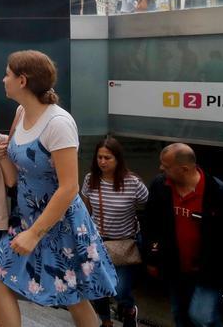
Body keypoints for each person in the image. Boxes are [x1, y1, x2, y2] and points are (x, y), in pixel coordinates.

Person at [0, 50, 116, 327]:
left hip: (60, 224)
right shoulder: (21, 113)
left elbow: (69, 188)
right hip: (28, 218)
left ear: (22, 81)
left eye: (7, 74)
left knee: (73, 297)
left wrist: (34, 233)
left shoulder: (59, 124)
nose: (3, 79)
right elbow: (13, 177)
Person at [144, 143, 223, 327]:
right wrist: (152, 257)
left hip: (208, 271)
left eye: (166, 165)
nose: (161, 168)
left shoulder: (219, 194)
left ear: (184, 169)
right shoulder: (160, 186)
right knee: (180, 314)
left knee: (201, 317)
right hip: (175, 269)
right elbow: (151, 224)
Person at [81, 137, 148, 327]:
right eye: (99, 157)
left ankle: (129, 309)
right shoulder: (90, 180)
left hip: (125, 244)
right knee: (100, 287)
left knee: (119, 289)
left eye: (107, 158)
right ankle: (105, 321)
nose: (102, 162)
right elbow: (86, 212)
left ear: (118, 159)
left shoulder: (132, 183)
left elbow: (150, 205)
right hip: (98, 242)